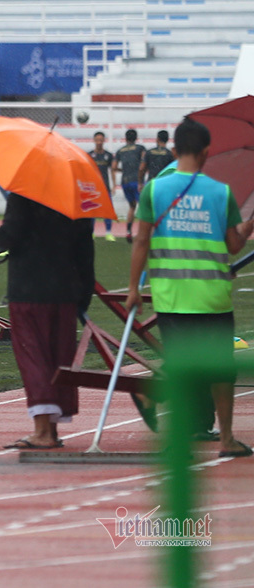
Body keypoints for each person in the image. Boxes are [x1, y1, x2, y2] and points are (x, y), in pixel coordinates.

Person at [126, 117, 254, 458]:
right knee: (220, 370)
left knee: (183, 366)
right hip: (212, 297)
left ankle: (172, 425)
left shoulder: (155, 189)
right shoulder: (220, 192)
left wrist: (133, 289)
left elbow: (141, 242)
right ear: (206, 152)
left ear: (175, 148)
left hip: (171, 297)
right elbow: (232, 246)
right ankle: (226, 438)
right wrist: (250, 224)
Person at [0, 193, 94, 449]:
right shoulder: (74, 197)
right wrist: (83, 294)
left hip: (29, 289)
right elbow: (86, 249)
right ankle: (51, 430)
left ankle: (42, 431)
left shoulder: (24, 193)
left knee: (34, 357)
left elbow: (10, 236)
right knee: (59, 359)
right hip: (65, 290)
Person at [112, 129, 147, 243]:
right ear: (136, 138)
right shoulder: (140, 148)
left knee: (132, 207)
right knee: (143, 206)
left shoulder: (120, 150)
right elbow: (143, 162)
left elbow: (113, 167)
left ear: (125, 138)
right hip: (136, 180)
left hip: (125, 181)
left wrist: (124, 170)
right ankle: (143, 233)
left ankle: (128, 231)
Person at [87, 131, 116, 241]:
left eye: (101, 140)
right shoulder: (90, 155)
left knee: (107, 211)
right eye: (97, 140)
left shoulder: (108, 155)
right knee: (92, 212)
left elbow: (112, 171)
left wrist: (114, 185)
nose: (99, 142)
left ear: (104, 141)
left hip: (105, 187)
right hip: (93, 187)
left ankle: (108, 233)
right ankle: (91, 233)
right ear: (94, 141)